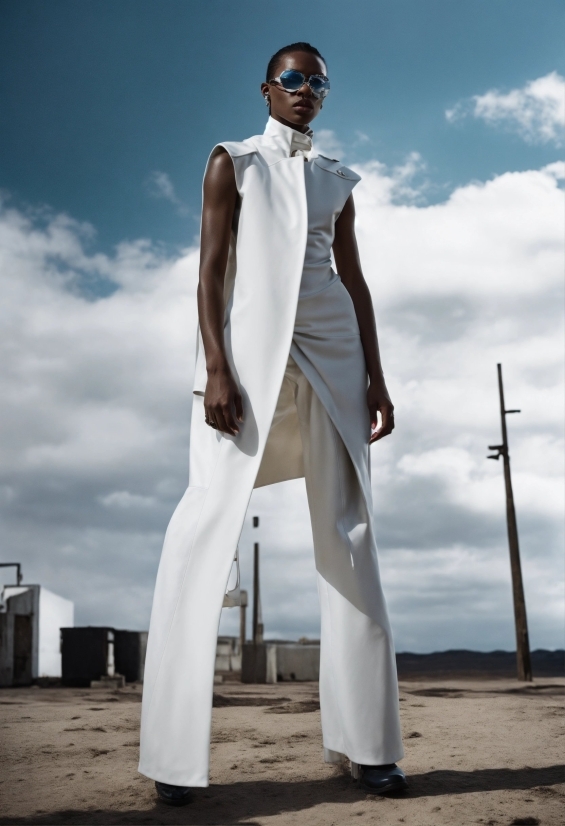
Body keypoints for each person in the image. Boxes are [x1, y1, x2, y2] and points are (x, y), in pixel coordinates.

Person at [138, 42, 407, 806]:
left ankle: (369, 748)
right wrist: (215, 368)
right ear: (266, 87)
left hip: (333, 353)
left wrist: (376, 376)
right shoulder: (234, 162)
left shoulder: (335, 181)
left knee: (350, 534)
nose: (305, 91)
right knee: (203, 525)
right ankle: (171, 755)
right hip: (247, 361)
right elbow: (210, 270)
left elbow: (352, 281)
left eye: (318, 82)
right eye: (293, 79)